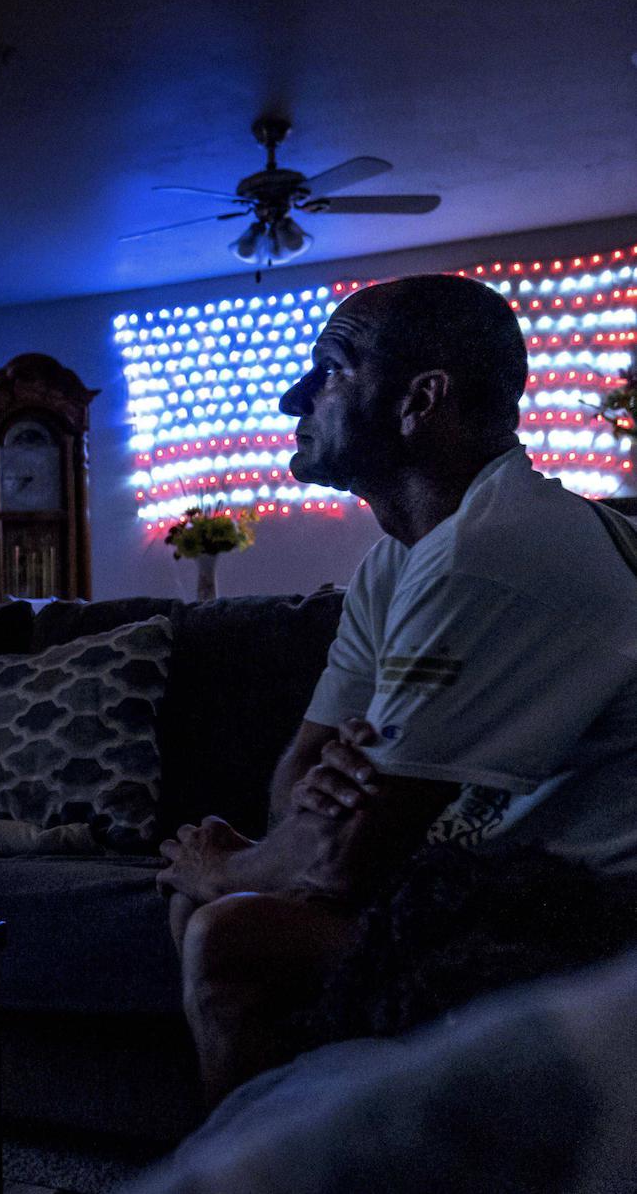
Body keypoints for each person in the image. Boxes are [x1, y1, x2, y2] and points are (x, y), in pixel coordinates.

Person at [154, 273, 637, 1105]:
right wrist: (293, 836)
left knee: (229, 931)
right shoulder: (395, 563)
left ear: (420, 401)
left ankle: (294, 1150)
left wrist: (228, 865)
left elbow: (343, 861)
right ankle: (330, 1134)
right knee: (202, 906)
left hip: (590, 914)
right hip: (480, 882)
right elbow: (300, 782)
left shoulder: (492, 550)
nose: (294, 398)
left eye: (330, 370)